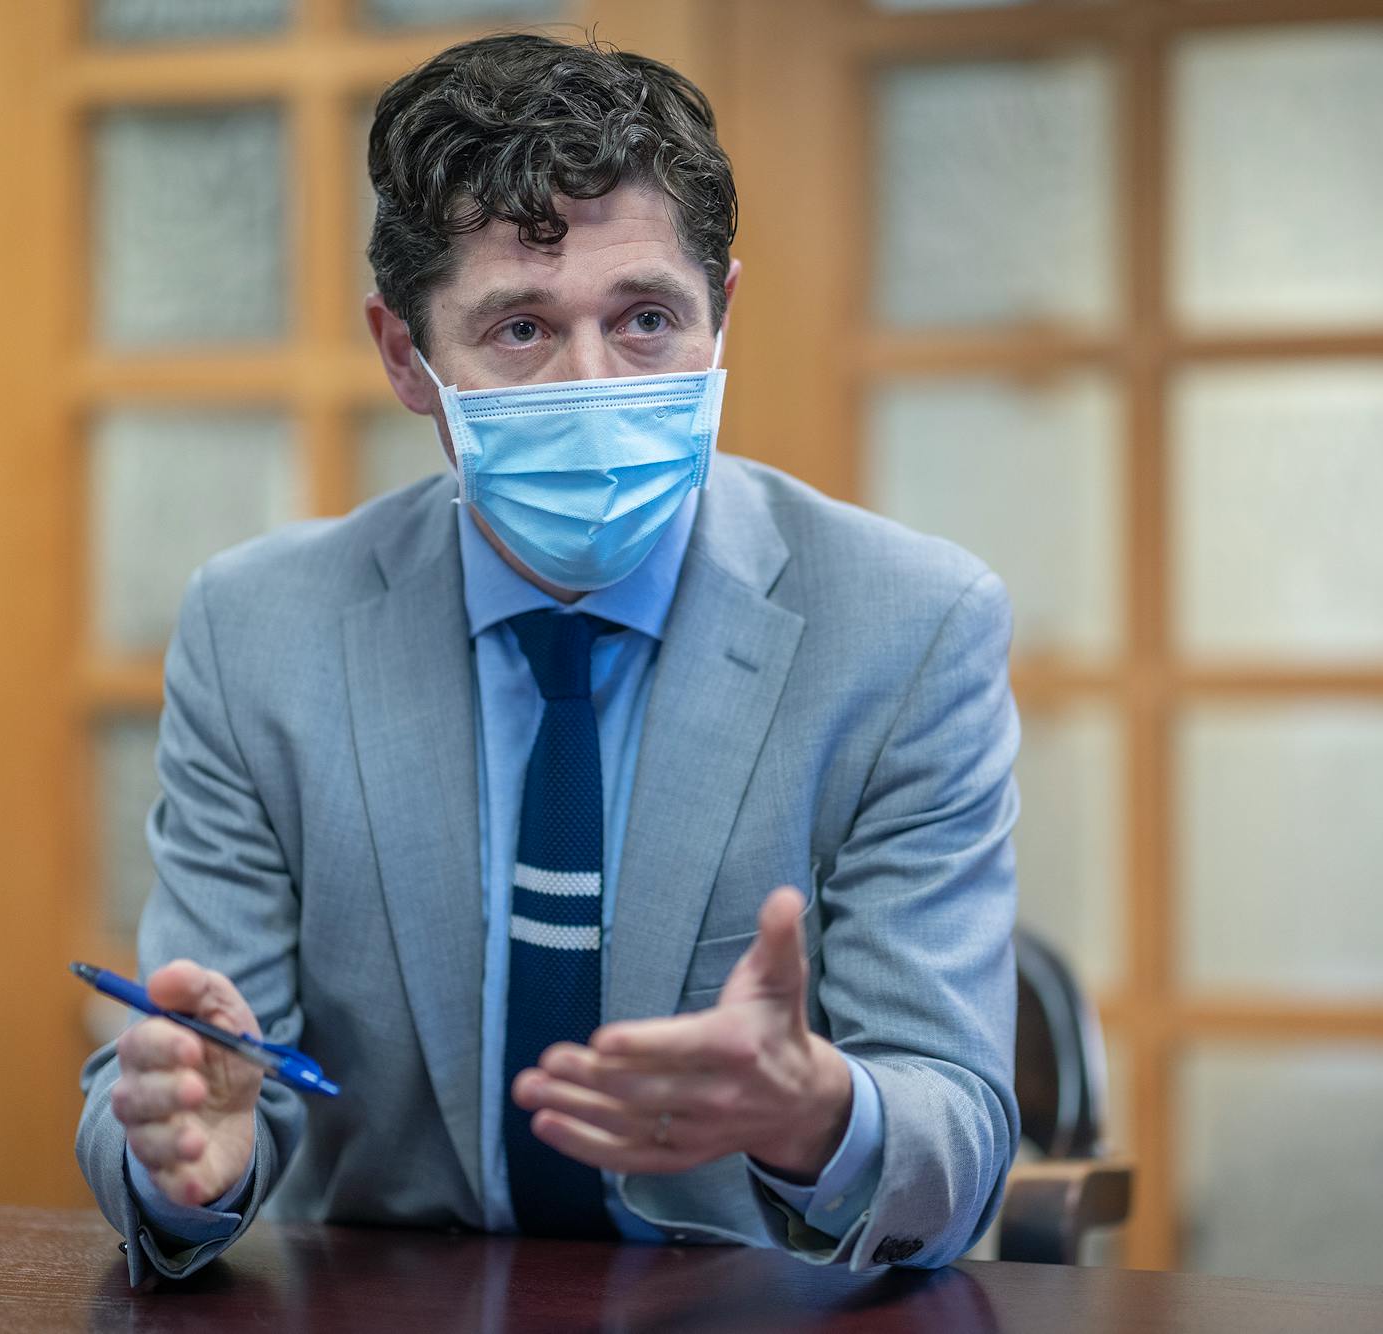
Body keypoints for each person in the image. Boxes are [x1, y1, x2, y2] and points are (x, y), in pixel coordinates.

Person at [76, 31, 1021, 1285]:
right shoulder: (259, 631)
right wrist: (183, 1157)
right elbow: (185, 1073)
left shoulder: (910, 626)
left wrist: (818, 1113)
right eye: (520, 328)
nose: (593, 386)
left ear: (722, 310)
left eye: (645, 319)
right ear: (405, 356)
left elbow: (955, 1135)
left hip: (747, 1304)